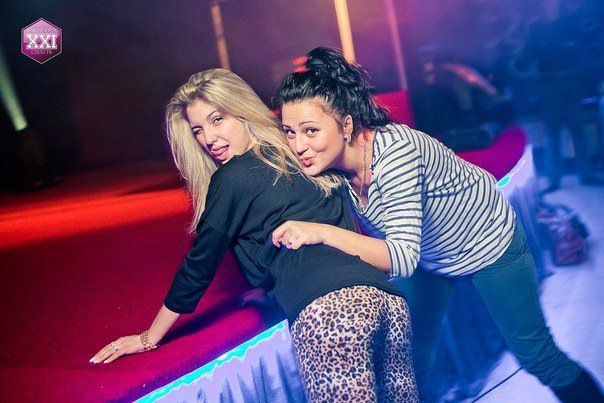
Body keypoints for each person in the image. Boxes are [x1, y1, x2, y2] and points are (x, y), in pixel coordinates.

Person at [273, 46, 603, 402]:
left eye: (310, 131)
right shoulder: (328, 167)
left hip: (487, 239)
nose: (299, 146)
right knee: (409, 365)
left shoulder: (395, 155)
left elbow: (401, 259)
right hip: (430, 254)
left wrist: (321, 232)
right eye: (290, 132)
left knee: (538, 357)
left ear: (347, 125)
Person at [90, 69, 418, 402]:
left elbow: (199, 264)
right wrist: (272, 292)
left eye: (217, 120)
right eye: (198, 130)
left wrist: (149, 337)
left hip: (329, 313)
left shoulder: (232, 177)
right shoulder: (306, 155)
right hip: (388, 301)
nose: (208, 139)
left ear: (242, 111)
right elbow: (338, 230)